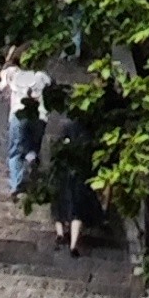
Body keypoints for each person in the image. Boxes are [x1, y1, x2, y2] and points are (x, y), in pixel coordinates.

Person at [42, 86, 99, 256]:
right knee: (77, 210)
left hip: (64, 171)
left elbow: (56, 150)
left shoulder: (65, 126)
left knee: (58, 205)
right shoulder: (90, 131)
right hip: (82, 172)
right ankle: (74, 243)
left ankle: (60, 233)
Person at [5, 71, 48, 207]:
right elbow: (51, 85)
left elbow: (1, 86)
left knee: (15, 153)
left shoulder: (13, 74)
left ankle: (16, 186)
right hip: (39, 116)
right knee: (33, 148)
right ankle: (31, 160)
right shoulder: (41, 75)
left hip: (19, 115)